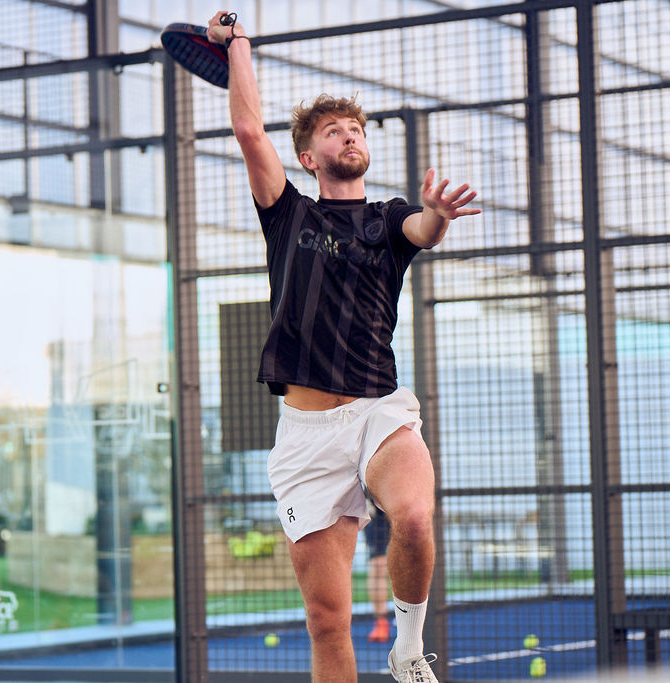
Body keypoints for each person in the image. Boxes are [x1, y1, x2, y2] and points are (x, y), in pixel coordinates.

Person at [206, 11, 481, 683]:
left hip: (378, 410)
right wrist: (236, 42)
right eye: (334, 131)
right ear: (310, 156)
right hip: (305, 434)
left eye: (355, 129)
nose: (349, 136)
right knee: (327, 621)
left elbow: (423, 228)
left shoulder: (387, 219)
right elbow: (247, 130)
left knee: (414, 514)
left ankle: (409, 648)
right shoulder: (288, 214)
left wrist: (439, 215)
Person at [364, 505, 392, 644]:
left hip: (404, 505)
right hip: (377, 513)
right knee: (378, 565)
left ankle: (416, 622)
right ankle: (381, 622)